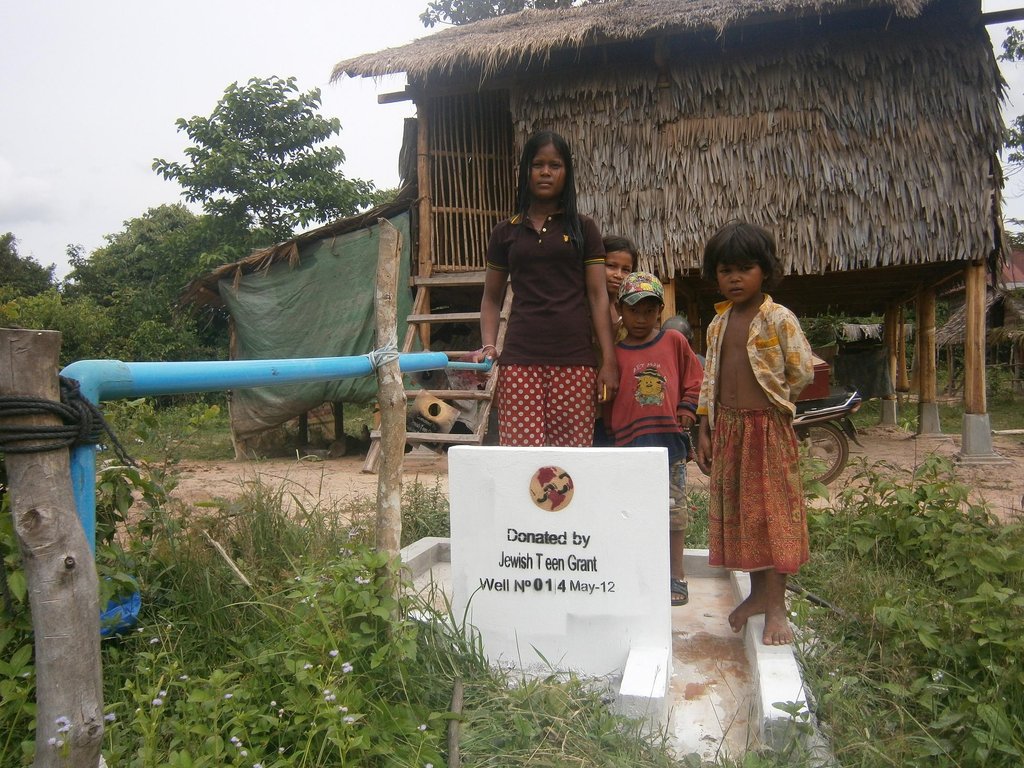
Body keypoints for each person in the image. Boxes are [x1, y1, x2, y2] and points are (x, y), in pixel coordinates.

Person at [694, 221, 814, 645]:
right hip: (728, 430)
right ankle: (759, 595)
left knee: (773, 516)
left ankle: (777, 608)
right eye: (725, 270)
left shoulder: (779, 318)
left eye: (745, 269)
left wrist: (773, 407)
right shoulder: (718, 324)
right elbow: (710, 380)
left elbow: (801, 371)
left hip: (767, 431)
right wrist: (705, 427)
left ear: (765, 270)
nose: (734, 278)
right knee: (745, 517)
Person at [476, 131, 618, 446]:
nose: (545, 172)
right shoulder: (505, 232)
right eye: (537, 164)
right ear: (526, 170)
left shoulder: (584, 229)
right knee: (520, 459)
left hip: (576, 361)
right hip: (519, 360)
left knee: (571, 462)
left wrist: (609, 360)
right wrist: (488, 346)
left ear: (567, 173)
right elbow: (491, 298)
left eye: (555, 165)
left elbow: (598, 297)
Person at [604, 272, 703, 606]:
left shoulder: (674, 342)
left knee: (673, 513)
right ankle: (637, 573)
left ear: (660, 311)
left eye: (649, 311)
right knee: (631, 513)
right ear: (621, 310)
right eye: (634, 310)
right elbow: (607, 398)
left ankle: (676, 575)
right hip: (629, 448)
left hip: (668, 445)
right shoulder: (614, 354)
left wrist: (688, 407)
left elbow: (695, 378)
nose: (641, 318)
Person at [593, 234, 640, 446]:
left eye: (626, 269)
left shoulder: (633, 314)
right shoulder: (582, 308)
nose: (618, 275)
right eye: (610, 266)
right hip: (590, 405)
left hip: (623, 406)